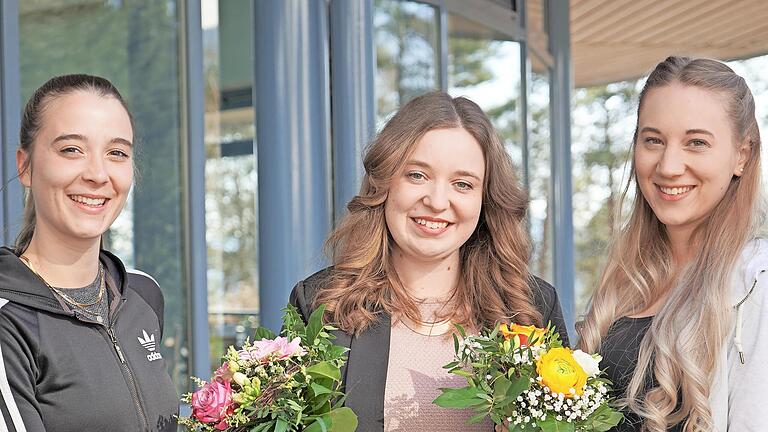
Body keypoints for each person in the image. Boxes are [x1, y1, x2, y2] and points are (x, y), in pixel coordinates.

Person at [290, 91, 569, 431]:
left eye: (462, 184)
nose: (437, 201)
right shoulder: (322, 305)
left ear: (486, 199)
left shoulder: (532, 306)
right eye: (417, 175)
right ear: (385, 182)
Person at [577, 56, 767, 431]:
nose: (668, 166)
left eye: (696, 142)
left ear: (741, 156)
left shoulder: (755, 282)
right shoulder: (627, 279)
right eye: (653, 140)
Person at [0, 74, 178, 431]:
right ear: (25, 165)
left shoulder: (141, 294)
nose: (98, 174)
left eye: (116, 153)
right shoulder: (8, 318)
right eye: (71, 149)